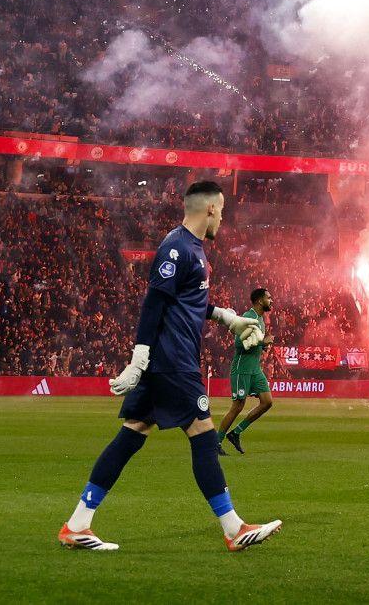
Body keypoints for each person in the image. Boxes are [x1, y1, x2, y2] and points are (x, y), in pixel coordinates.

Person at [57, 181, 283, 552]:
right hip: (173, 361)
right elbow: (154, 303)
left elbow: (190, 301)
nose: (222, 218)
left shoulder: (192, 249)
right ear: (210, 208)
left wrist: (226, 317)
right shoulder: (177, 248)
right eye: (222, 211)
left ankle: (78, 524)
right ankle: (233, 528)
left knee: (132, 434)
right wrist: (138, 359)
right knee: (204, 435)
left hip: (169, 360)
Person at [218, 287, 275, 455]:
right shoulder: (248, 317)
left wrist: (262, 346)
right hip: (242, 368)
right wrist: (262, 342)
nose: (271, 300)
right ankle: (216, 442)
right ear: (260, 301)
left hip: (255, 369)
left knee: (267, 402)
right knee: (237, 406)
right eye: (268, 298)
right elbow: (238, 343)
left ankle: (236, 433)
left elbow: (253, 342)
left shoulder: (261, 319)